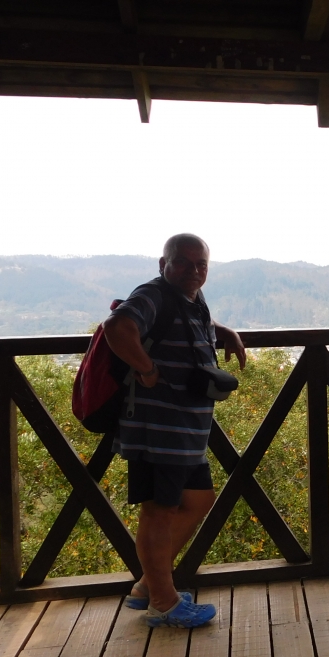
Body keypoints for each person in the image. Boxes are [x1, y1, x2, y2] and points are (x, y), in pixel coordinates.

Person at [102, 233, 246, 628]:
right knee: (159, 511)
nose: (193, 270)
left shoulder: (191, 298)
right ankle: (163, 602)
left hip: (186, 431)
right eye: (183, 262)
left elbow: (189, 323)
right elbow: (117, 326)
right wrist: (147, 369)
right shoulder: (153, 293)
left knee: (199, 501)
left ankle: (149, 585)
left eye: (201, 264)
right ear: (162, 263)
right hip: (156, 427)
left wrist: (224, 332)